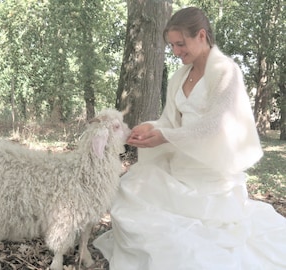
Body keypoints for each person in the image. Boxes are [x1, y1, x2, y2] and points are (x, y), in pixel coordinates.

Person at [93, 6, 286, 270]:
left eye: (180, 44)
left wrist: (164, 136)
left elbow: (217, 126)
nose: (175, 51)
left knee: (184, 245)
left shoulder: (226, 73)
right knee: (131, 188)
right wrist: (150, 128)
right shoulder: (179, 76)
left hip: (210, 171)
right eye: (171, 45)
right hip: (179, 162)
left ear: (202, 36)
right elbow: (170, 121)